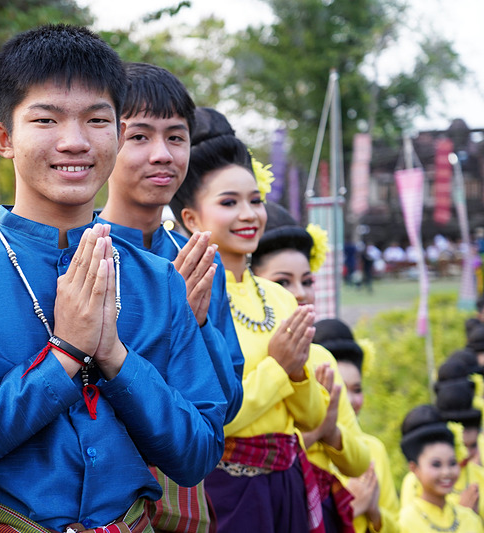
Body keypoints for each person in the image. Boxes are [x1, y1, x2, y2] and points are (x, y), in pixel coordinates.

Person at [0, 25, 227, 530]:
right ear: (4, 138)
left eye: (97, 120)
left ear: (118, 134)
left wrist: (115, 358)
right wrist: (62, 359)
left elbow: (197, 455)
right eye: (46, 119)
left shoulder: (156, 280)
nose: (75, 141)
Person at [98, 64, 243, 533]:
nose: (161, 154)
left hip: (186, 493)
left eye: (176, 137)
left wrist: (198, 326)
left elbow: (228, 400)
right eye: (138, 136)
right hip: (102, 497)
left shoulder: (199, 260)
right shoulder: (83, 254)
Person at [170, 109, 328, 532]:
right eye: (229, 203)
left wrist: (296, 373)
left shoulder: (280, 297)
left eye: (255, 201)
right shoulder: (190, 296)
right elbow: (218, 417)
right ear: (191, 219)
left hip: (287, 479)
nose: (249, 214)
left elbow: (311, 419)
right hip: (225, 490)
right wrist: (280, 368)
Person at [252, 208, 370, 533]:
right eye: (282, 282)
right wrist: (314, 434)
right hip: (254, 502)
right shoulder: (241, 352)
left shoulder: (320, 358)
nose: (301, 293)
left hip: (318, 509)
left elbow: (359, 461)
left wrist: (331, 432)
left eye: (307, 281)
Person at [313, 318, 399, 533]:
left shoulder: (374, 450)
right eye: (339, 388)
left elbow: (397, 526)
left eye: (357, 389)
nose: (350, 401)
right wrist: (348, 506)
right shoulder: (299, 447)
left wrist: (374, 513)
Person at [398, 405, 484, 532]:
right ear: (414, 468)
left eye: (452, 463)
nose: (447, 472)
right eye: (436, 464)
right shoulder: (404, 523)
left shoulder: (470, 519)